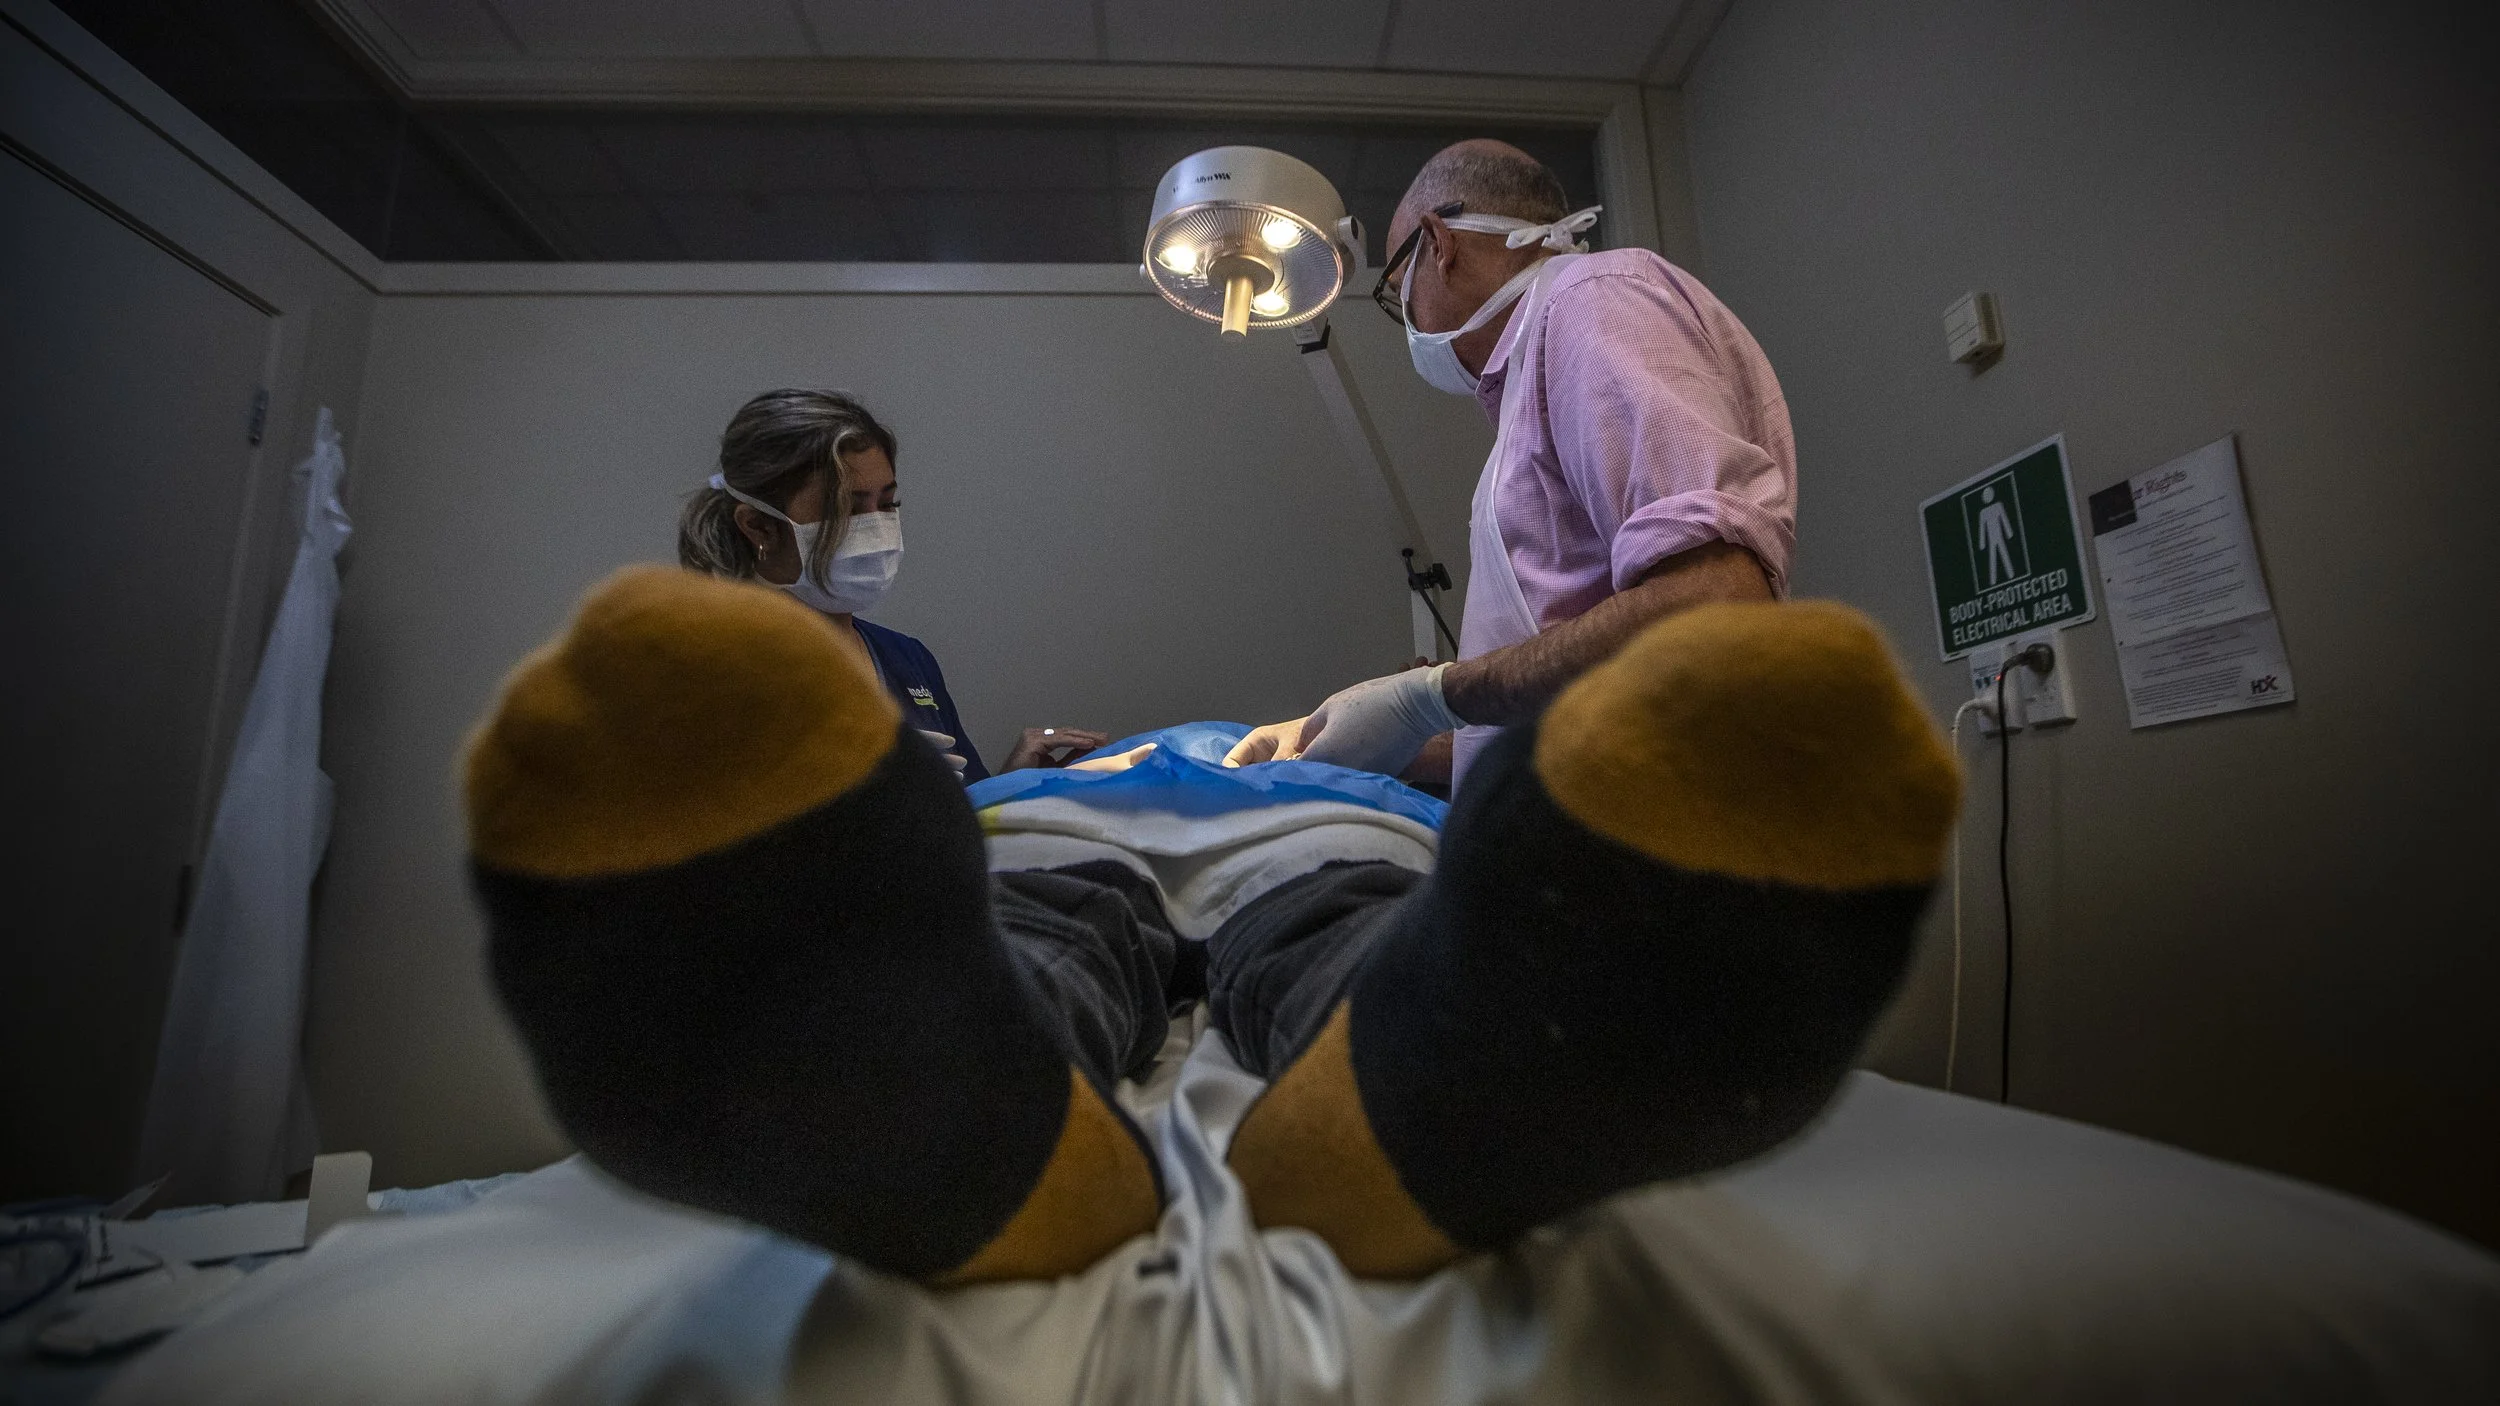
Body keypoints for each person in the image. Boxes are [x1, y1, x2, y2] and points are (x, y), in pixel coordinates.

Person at [466, 566, 1958, 1284]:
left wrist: (1373, 731)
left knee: (1319, 914)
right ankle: (972, 1107)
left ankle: (1430, 1070)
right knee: (1084, 929)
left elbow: (1437, 766)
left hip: (1303, 832)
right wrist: (1050, 771)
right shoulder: (1064, 771)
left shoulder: (1316, 750)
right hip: (1063, 837)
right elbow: (967, 804)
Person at [1226, 141, 1797, 789]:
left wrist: (1428, 695)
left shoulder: (1593, 303)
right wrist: (1395, 743)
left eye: (1397, 294)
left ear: (1437, 243)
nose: (1409, 320)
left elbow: (1718, 608)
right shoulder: (1542, 361)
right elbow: (1571, 701)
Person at [678, 389, 1110, 781]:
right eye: (846, 508)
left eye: (887, 504)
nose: (875, 528)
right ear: (758, 525)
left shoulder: (906, 659)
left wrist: (1013, 787)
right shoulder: (709, 670)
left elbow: (956, 822)